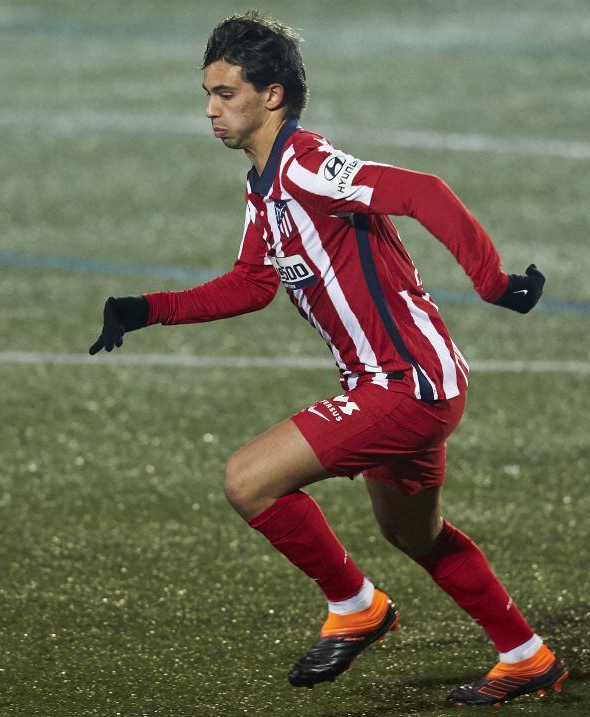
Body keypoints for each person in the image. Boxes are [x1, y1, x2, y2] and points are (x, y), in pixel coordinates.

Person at [88, 11, 567, 707]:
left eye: (225, 93)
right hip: (402, 384)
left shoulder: (308, 165)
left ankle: (357, 604)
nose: (210, 109)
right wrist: (145, 308)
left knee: (248, 480)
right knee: (413, 531)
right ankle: (528, 656)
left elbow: (423, 191)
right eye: (207, 93)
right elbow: (253, 283)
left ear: (271, 95)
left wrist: (493, 282)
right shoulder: (264, 187)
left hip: (407, 384)